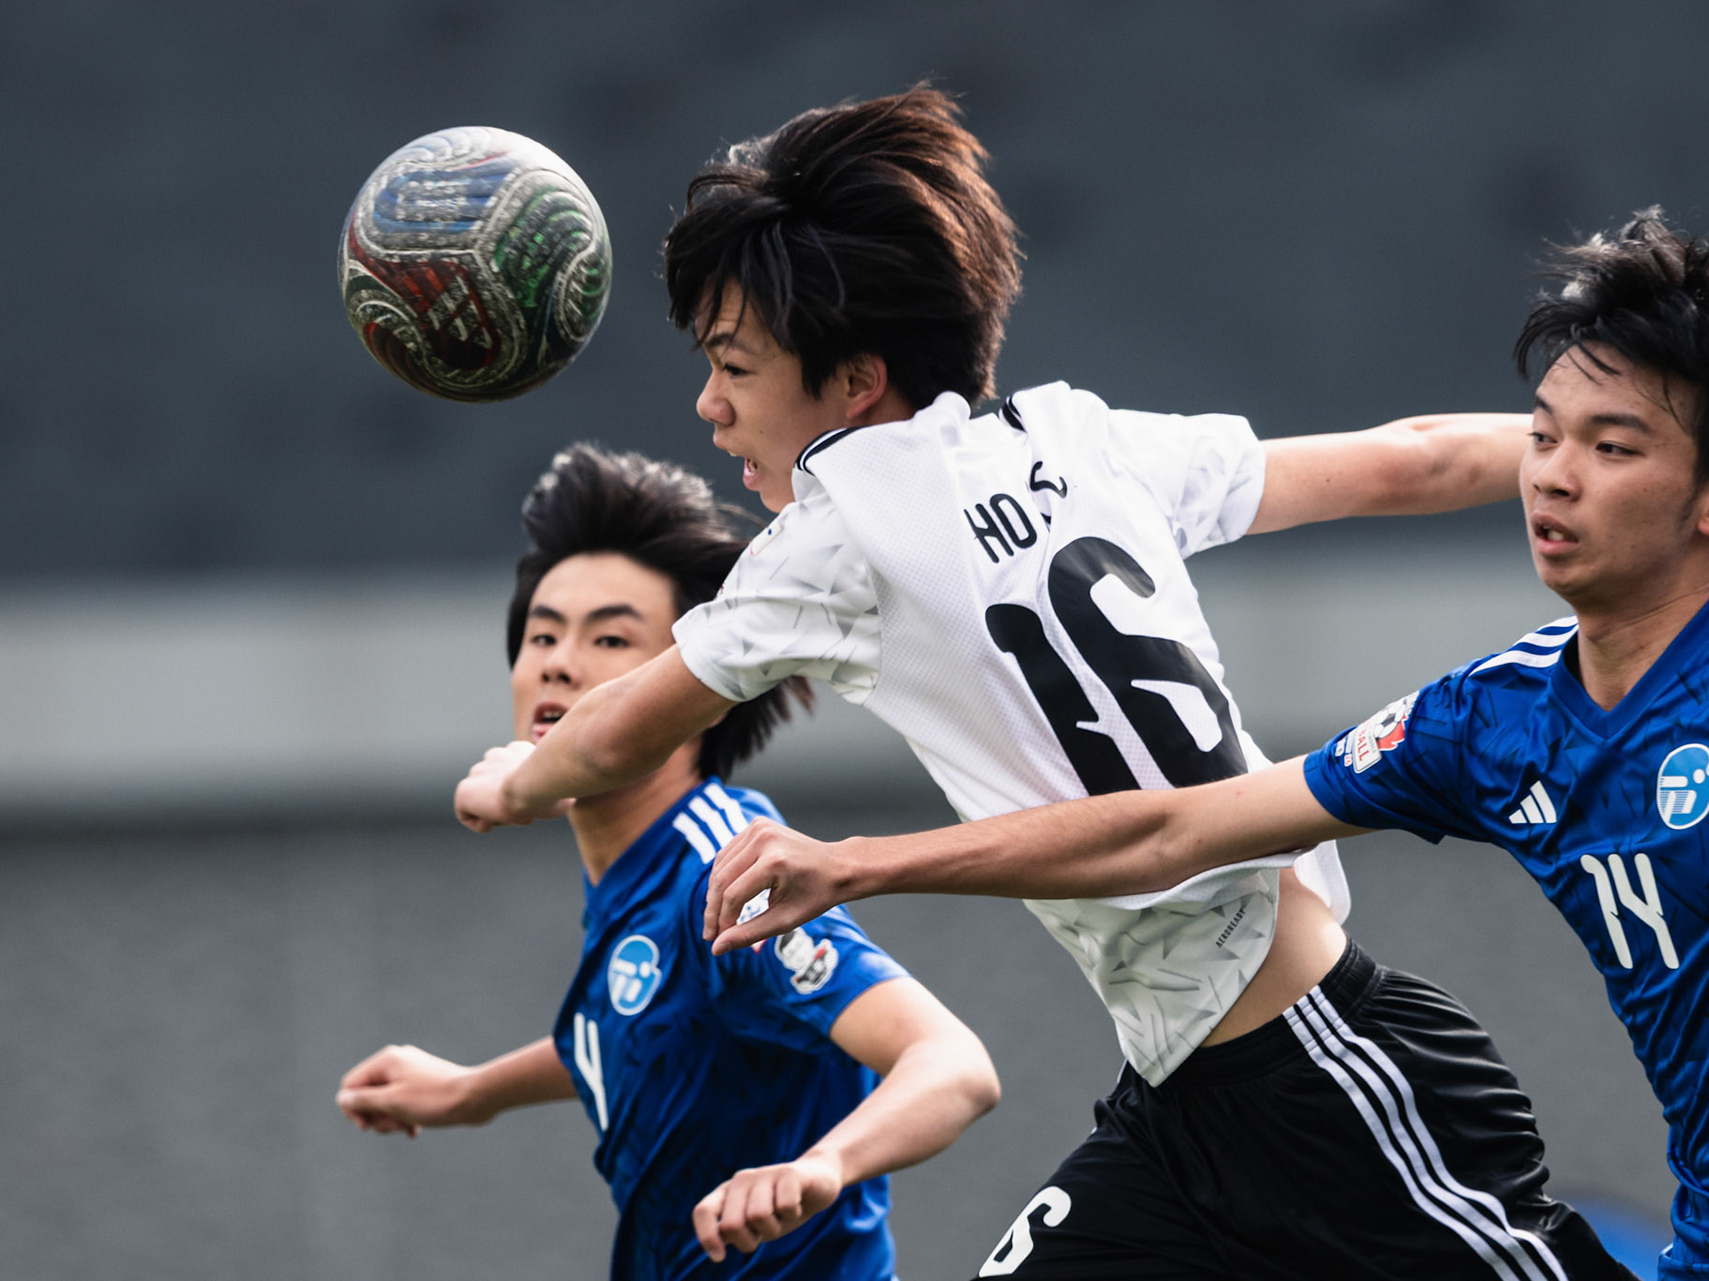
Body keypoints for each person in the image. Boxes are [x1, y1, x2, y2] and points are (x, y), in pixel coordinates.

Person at [455, 89, 1630, 1279]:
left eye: (734, 366)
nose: (709, 406)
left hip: (1327, 1075)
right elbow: (1411, 459)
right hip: (1185, 1107)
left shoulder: (838, 530)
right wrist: (1604, 453)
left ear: (856, 381)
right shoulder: (1081, 440)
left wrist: (512, 781)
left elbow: (616, 738)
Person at [702, 211, 1709, 1281]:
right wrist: (865, 865)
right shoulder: (1491, 717)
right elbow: (1174, 825)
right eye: (1543, 437)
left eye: (1612, 450)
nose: (1554, 478)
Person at [337, 444, 999, 1280]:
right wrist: (473, 1091)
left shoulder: (719, 870)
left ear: (693, 685)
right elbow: (652, 1023)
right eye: (542, 634)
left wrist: (821, 1166)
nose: (558, 661)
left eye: (610, 637)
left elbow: (953, 1063)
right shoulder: (637, 874)